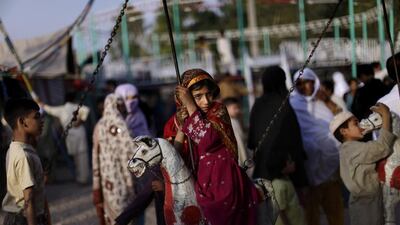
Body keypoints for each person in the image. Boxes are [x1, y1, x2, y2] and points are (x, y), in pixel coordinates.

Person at [166, 68, 260, 225]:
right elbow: (172, 155)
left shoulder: (218, 111)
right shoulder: (176, 121)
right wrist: (183, 124)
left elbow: (207, 139)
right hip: (189, 183)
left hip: (220, 180)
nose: (206, 101)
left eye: (208, 94)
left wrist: (191, 105)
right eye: (197, 97)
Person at [248, 66, 308, 225]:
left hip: (262, 176)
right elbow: (294, 143)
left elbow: (252, 142)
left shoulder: (257, 105)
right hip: (284, 175)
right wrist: (301, 182)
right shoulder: (284, 105)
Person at [289, 68, 344, 225]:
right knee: (310, 216)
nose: (303, 86)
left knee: (335, 213)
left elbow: (342, 119)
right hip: (308, 172)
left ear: (314, 82)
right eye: (298, 83)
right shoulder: (292, 105)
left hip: (331, 170)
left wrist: (327, 101)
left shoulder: (324, 101)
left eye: (306, 82)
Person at [330, 104, 395, 225]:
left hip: (362, 204)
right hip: (367, 206)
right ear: (344, 131)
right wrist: (386, 116)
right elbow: (382, 147)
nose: (360, 125)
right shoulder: (352, 149)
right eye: (355, 124)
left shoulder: (347, 149)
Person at [2, 98, 51, 225]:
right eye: (37, 117)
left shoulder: (14, 147)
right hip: (23, 220)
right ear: (23, 122)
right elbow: (28, 200)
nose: (42, 121)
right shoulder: (23, 155)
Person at [92, 94, 136, 225]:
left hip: (107, 180)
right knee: (125, 211)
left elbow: (95, 156)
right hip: (123, 177)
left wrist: (96, 183)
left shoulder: (99, 126)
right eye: (120, 106)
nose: (123, 109)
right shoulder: (121, 125)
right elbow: (132, 151)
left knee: (112, 213)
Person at [39, 92, 90, 184]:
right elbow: (87, 110)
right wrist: (81, 121)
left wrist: (42, 105)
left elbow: (50, 110)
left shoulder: (62, 109)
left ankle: (80, 177)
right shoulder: (77, 106)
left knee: (76, 158)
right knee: (82, 157)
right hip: (80, 134)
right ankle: (83, 178)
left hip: (70, 136)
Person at [268, 151, 307, 225]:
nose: (293, 163)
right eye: (290, 162)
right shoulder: (279, 185)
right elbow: (280, 210)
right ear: (282, 166)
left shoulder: (286, 179)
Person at [223, 97, 250, 169]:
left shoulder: (235, 121)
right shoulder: (230, 123)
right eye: (235, 108)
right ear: (226, 108)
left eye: (239, 108)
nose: (238, 110)